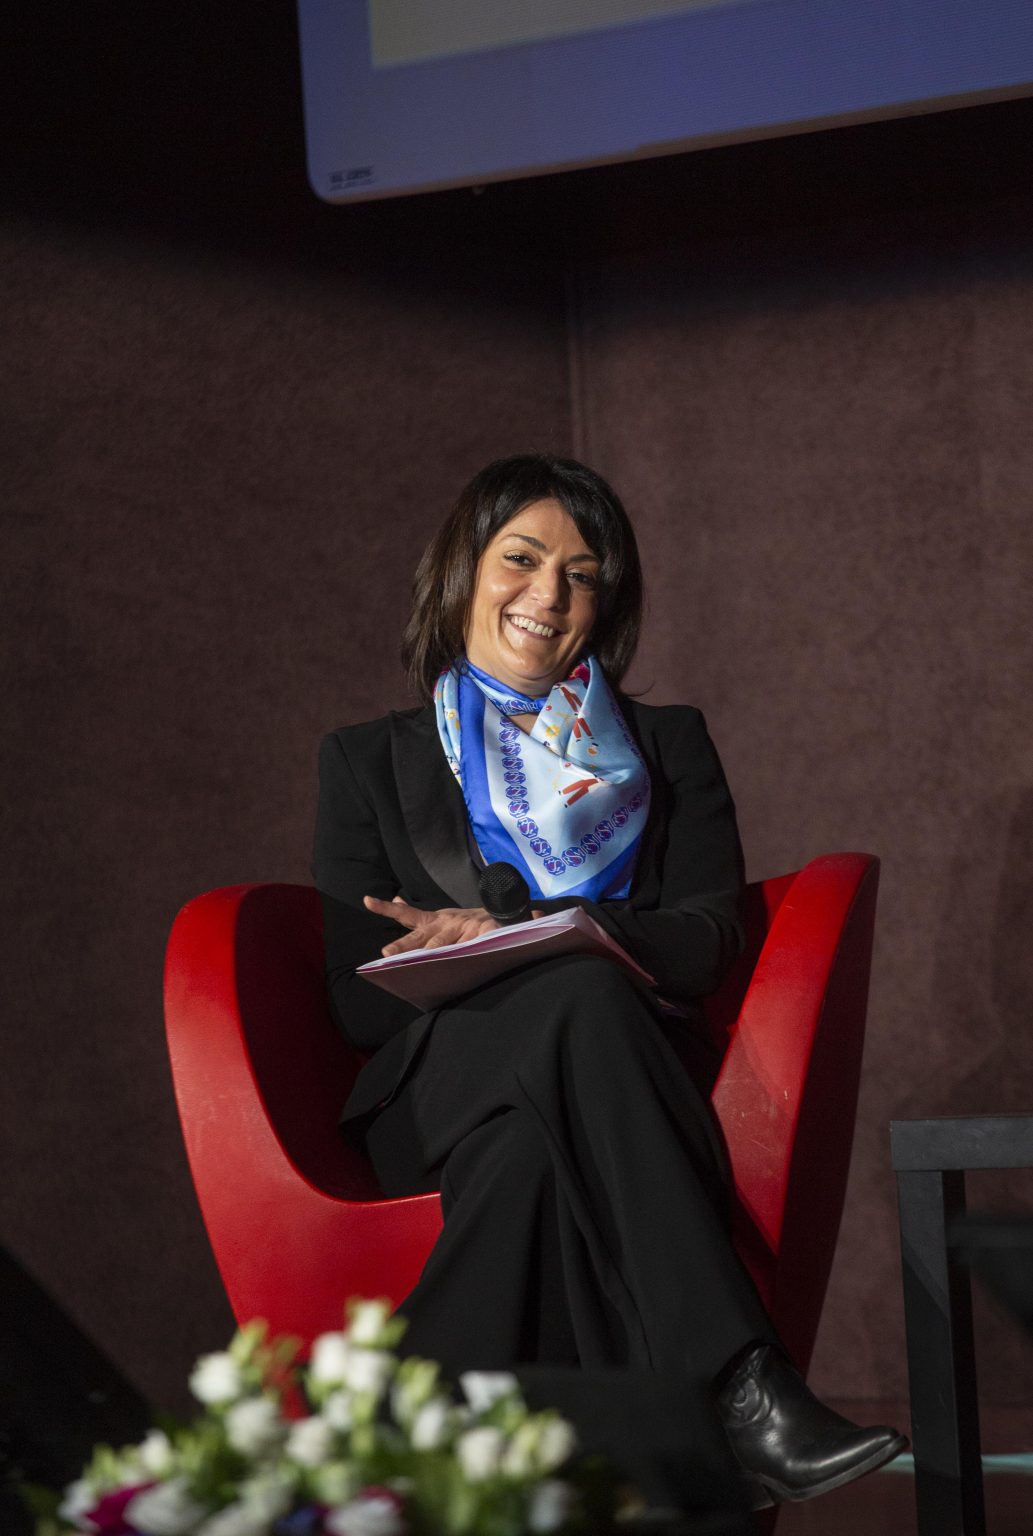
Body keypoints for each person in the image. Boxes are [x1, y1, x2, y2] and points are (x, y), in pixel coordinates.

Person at [311, 454, 906, 1509]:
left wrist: (531, 930)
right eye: (521, 559)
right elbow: (357, 1003)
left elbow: (707, 939)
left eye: (581, 575)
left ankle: (403, 1446)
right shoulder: (365, 761)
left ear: (606, 605)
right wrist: (478, 959)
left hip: (626, 1073)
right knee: (574, 1002)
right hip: (439, 1084)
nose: (547, 595)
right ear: (463, 570)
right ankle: (741, 1388)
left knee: (530, 1153)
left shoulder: (665, 745)